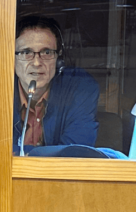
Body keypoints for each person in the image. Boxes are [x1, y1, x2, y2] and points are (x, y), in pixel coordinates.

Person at [13, 15, 98, 151]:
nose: (36, 62)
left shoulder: (81, 88)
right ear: (12, 58)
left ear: (59, 58)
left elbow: (75, 152)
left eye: (46, 52)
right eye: (26, 52)